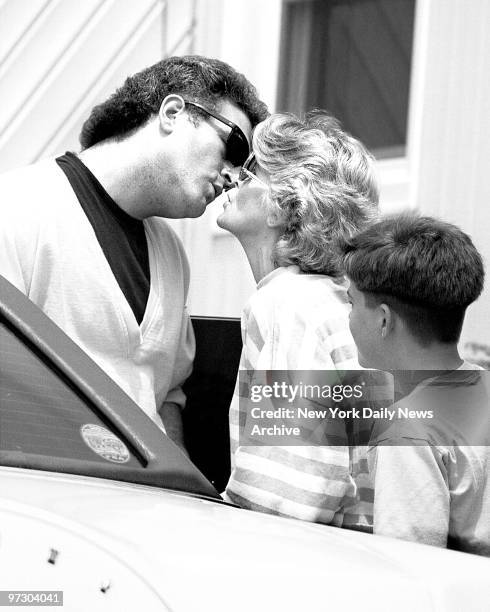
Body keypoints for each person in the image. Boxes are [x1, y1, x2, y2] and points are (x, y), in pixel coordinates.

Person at [0, 55, 268, 450]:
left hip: (142, 505)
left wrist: (171, 488)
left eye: (245, 167)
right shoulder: (17, 206)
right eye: (232, 146)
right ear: (173, 112)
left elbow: (168, 398)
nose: (233, 177)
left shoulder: (172, 255)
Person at [217, 111, 379, 525]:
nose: (234, 177)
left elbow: (283, 498)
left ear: (282, 206)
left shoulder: (292, 305)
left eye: (252, 170)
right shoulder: (326, 300)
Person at [339, 213, 490, 555]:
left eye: (350, 302)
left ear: (383, 320)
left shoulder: (406, 429)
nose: (347, 316)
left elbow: (411, 566)